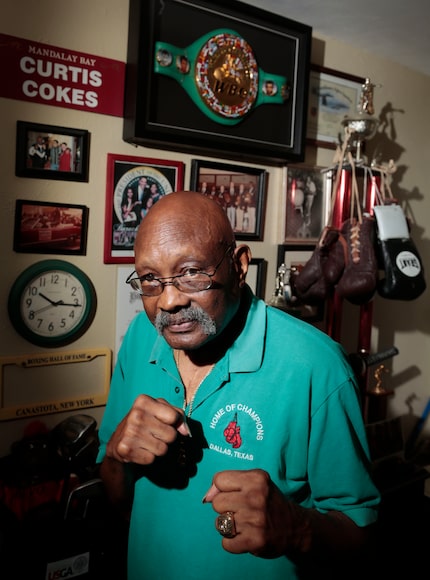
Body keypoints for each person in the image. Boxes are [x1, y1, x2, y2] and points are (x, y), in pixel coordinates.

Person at [97, 191, 380, 580]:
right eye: (150, 279)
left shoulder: (316, 365)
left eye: (192, 272)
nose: (169, 300)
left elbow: (363, 540)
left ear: (239, 265)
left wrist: (297, 528)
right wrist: (115, 455)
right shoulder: (139, 340)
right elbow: (115, 498)